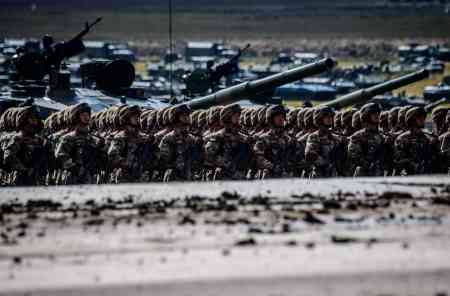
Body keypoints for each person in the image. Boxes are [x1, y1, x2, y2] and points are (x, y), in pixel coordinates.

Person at [347, 103, 385, 177]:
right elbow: (353, 156)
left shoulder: (382, 135)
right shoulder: (358, 136)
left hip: (380, 174)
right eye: (374, 113)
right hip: (364, 175)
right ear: (366, 116)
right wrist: (368, 164)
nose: (377, 115)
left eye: (378, 113)